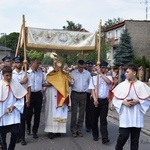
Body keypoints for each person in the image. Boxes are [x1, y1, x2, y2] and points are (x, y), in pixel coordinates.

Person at [112, 64, 150, 150]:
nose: (125, 74)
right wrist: (123, 102)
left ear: (134, 73)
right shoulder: (121, 85)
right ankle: (118, 147)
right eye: (125, 72)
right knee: (123, 136)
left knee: (135, 140)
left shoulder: (141, 85)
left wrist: (138, 101)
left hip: (137, 116)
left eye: (127, 72)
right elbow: (115, 99)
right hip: (125, 115)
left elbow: (148, 100)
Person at [0, 66, 27, 150]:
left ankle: (11, 148)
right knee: (2, 136)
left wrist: (14, 106)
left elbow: (21, 99)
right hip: (2, 114)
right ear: (3, 74)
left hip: (13, 114)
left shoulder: (15, 84)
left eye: (10, 75)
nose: (9, 77)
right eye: (7, 75)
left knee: (15, 132)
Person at [44, 60, 71, 139]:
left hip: (61, 95)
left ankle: (59, 130)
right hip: (52, 94)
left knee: (60, 111)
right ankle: (51, 130)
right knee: (51, 112)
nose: (58, 68)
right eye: (57, 66)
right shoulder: (50, 74)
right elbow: (47, 82)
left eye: (60, 67)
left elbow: (69, 82)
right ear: (54, 66)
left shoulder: (65, 75)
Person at [89, 61, 112, 144]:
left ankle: (105, 138)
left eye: (104, 68)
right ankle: (95, 135)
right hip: (95, 100)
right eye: (101, 67)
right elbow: (92, 89)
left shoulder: (108, 76)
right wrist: (95, 99)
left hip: (104, 101)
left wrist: (101, 74)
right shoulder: (94, 77)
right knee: (94, 119)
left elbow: (109, 82)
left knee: (103, 120)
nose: (103, 69)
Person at [12, 56, 31, 145]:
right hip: (14, 98)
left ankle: (23, 137)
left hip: (23, 98)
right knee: (15, 120)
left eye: (20, 62)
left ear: (22, 64)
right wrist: (21, 82)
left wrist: (28, 99)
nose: (18, 64)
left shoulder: (26, 74)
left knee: (22, 119)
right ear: (14, 63)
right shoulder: (11, 74)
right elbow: (11, 87)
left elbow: (29, 88)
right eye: (17, 62)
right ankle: (17, 136)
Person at [70, 60, 91, 137]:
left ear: (84, 66)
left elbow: (90, 84)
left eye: (82, 67)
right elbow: (70, 83)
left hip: (84, 94)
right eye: (79, 67)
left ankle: (79, 129)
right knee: (74, 113)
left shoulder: (87, 73)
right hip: (75, 93)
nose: (81, 69)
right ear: (77, 65)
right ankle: (73, 130)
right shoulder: (73, 73)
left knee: (82, 113)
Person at [26, 58, 45, 139]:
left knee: (37, 114)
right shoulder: (27, 73)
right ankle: (28, 126)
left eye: (39, 63)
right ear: (32, 63)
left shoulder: (41, 73)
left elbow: (43, 83)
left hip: (38, 94)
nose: (38, 65)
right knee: (29, 113)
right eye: (37, 63)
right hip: (30, 94)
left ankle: (35, 131)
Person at [85, 60, 96, 132]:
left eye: (91, 66)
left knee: (93, 110)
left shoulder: (94, 74)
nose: (90, 67)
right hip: (87, 93)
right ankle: (88, 125)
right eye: (88, 66)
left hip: (93, 94)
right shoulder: (85, 73)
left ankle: (93, 124)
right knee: (88, 110)